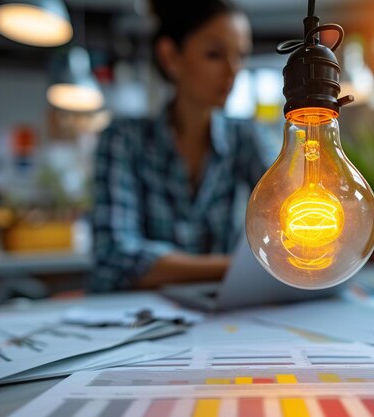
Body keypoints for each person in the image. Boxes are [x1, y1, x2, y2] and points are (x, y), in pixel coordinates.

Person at [91, 0, 272, 292]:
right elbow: (116, 257)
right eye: (214, 54)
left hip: (218, 314)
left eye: (241, 55)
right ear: (170, 57)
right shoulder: (123, 139)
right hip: (133, 318)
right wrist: (242, 268)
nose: (233, 70)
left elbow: (288, 205)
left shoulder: (245, 136)